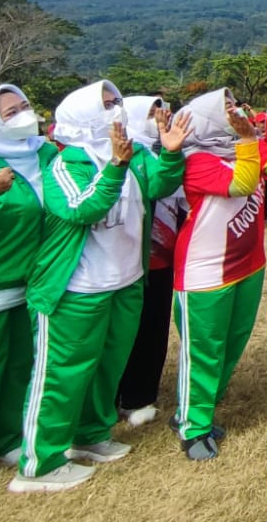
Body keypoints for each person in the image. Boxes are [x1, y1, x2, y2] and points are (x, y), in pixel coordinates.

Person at [15, 81, 189, 493]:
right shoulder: (67, 163)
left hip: (125, 280)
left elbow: (158, 186)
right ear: (83, 117)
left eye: (116, 103)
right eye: (107, 105)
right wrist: (113, 167)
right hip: (77, 287)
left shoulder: (135, 153)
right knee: (62, 373)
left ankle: (92, 435)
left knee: (108, 364)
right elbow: (80, 209)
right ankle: (39, 461)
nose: (117, 110)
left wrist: (170, 151)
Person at [172, 88, 267, 458]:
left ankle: (201, 409)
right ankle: (191, 425)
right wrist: (247, 140)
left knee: (230, 345)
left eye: (235, 105)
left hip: (248, 264)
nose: (236, 111)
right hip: (206, 273)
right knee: (203, 350)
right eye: (226, 108)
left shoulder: (241, 147)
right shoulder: (196, 161)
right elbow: (241, 183)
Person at [115, 95, 188, 429]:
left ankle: (141, 395)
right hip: (130, 260)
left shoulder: (165, 150)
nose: (161, 116)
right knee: (124, 333)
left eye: (163, 110)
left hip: (163, 259)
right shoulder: (124, 155)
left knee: (154, 330)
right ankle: (117, 395)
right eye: (152, 112)